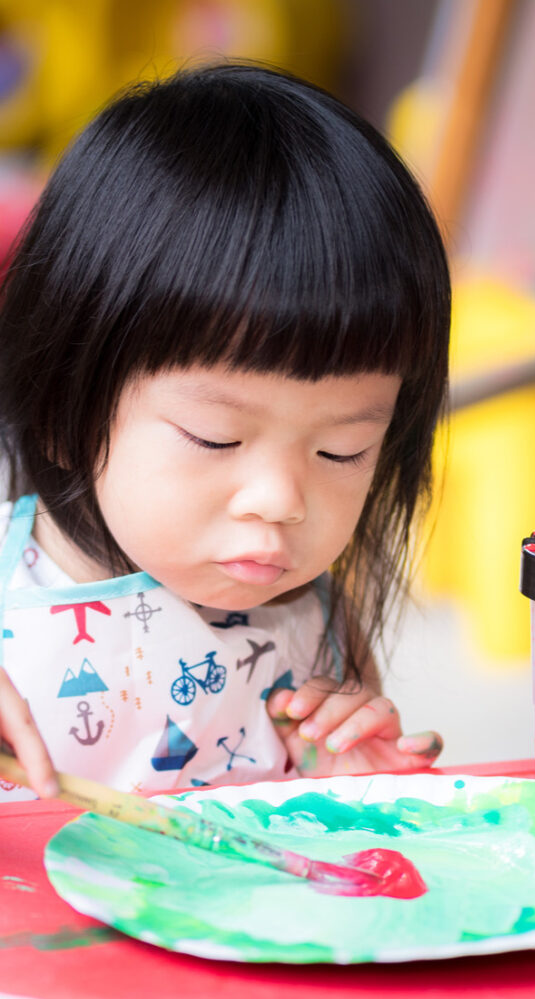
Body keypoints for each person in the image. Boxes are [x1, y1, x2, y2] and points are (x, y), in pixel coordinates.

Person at [0, 62, 450, 801]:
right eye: (215, 437)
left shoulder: (315, 620)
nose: (280, 500)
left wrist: (355, 783)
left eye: (343, 449)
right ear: (62, 412)